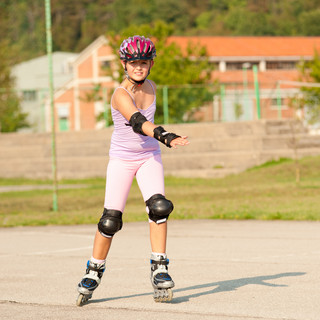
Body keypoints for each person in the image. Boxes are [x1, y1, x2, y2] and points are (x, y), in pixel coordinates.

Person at [76, 35, 189, 306]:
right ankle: (94, 269)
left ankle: (159, 267)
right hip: (122, 159)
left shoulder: (151, 86)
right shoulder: (119, 94)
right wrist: (165, 135)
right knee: (110, 221)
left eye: (144, 62)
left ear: (150, 64)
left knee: (159, 208)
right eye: (134, 62)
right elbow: (138, 122)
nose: (139, 67)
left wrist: (159, 141)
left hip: (149, 156)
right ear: (124, 64)